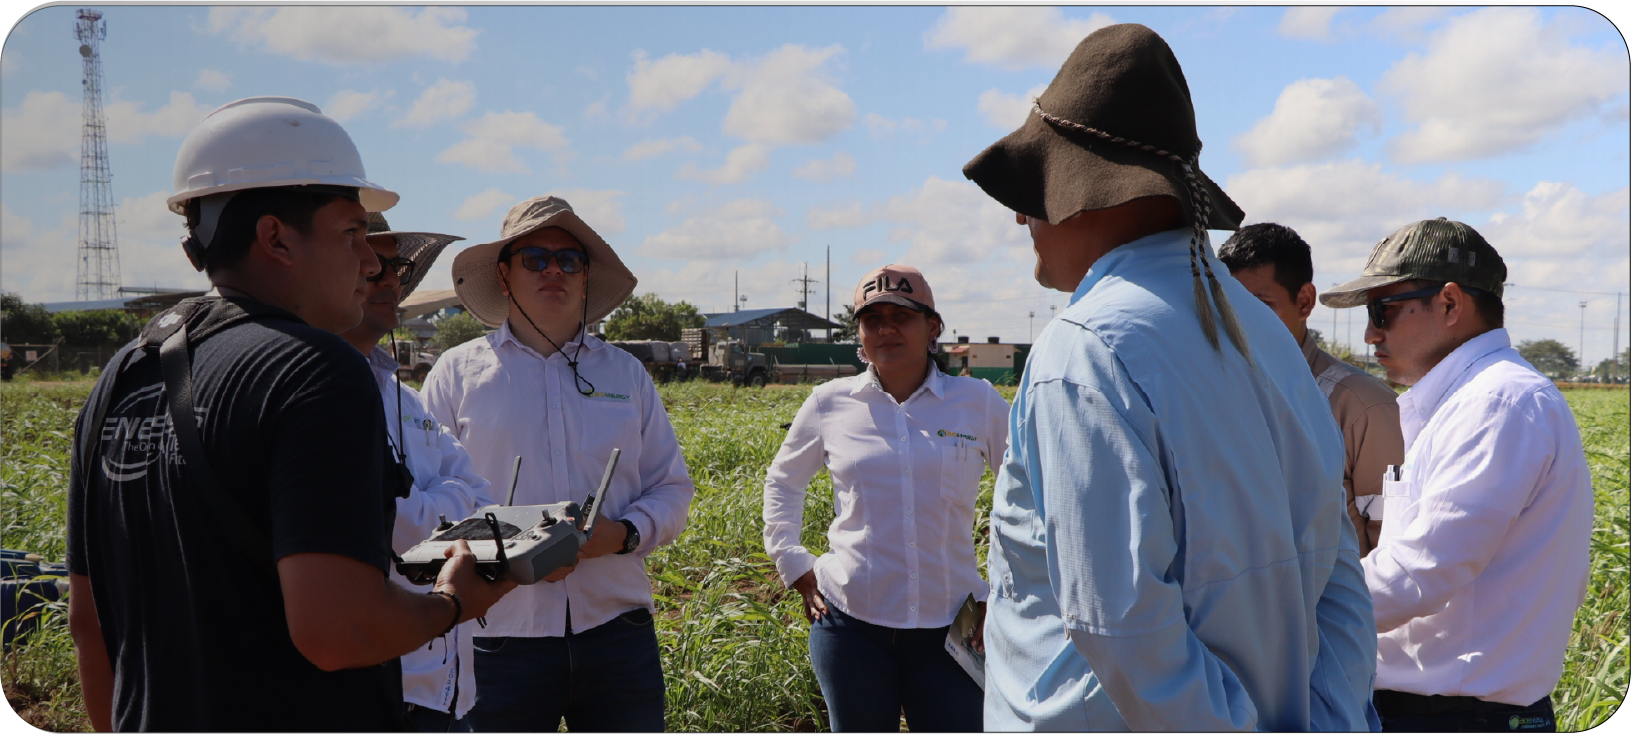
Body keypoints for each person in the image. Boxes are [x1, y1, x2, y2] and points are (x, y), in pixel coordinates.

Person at [961, 25, 1378, 730]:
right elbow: (1338, 578)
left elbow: (1120, 628)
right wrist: (1329, 718)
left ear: (1085, 193)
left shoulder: (1084, 350)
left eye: (1034, 187)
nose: (1021, 215)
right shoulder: (1267, 338)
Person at [65, 96, 513, 731]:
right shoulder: (315, 371)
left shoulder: (123, 375)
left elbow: (90, 622)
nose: (369, 263)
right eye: (353, 234)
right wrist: (450, 604)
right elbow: (339, 631)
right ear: (275, 237)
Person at [422, 195, 695, 731]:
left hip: (617, 633)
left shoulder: (626, 376)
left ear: (586, 277)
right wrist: (506, 553)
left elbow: (672, 487)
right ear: (503, 275)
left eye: (570, 260)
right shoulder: (456, 377)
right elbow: (425, 499)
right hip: (497, 635)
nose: (554, 270)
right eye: (535, 258)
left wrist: (618, 536)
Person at [1321, 218, 1593, 732]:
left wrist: (1291, 610)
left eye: (1383, 309)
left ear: (1449, 304)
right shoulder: (1465, 403)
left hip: (1461, 715)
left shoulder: (1498, 403)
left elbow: (1422, 569)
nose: (1370, 332)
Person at [762, 264, 1009, 732]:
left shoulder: (977, 402)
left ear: (933, 327)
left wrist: (1001, 590)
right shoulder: (829, 403)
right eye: (873, 320)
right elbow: (783, 482)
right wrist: (793, 561)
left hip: (951, 626)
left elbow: (1028, 496)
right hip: (851, 624)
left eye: (903, 316)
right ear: (859, 332)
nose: (886, 329)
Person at [335, 213, 493, 731]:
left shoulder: (404, 398)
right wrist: (442, 505)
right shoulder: (314, 398)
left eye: (395, 265)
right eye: (373, 264)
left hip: (445, 686)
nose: (388, 280)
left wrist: (428, 507)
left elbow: (479, 495)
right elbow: (386, 526)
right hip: (374, 691)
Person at [1218, 222, 1404, 555]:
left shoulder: (1363, 407)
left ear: (1304, 302)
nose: (1240, 323)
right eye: (1228, 308)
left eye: (1260, 306)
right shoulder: (1205, 394)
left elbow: (1393, 551)